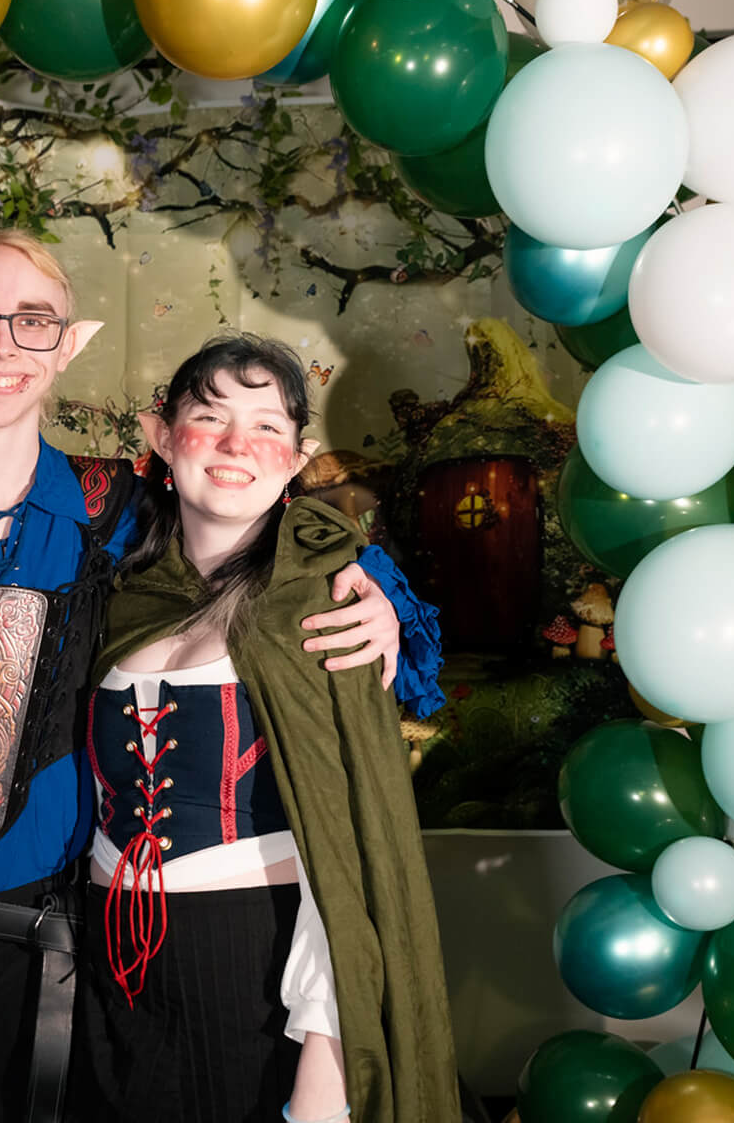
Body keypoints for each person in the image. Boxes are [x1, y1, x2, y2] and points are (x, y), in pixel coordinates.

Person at [0, 230, 442, 1123]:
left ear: (68, 344)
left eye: (33, 322)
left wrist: (372, 586)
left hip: (44, 954)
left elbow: (251, 522)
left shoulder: (115, 512)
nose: (2, 345)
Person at [77, 334, 457, 1123]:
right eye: (208, 417)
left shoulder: (332, 604)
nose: (234, 445)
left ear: (297, 458)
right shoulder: (111, 592)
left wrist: (326, 1054)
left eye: (265, 427)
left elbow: (350, 848)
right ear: (159, 437)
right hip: (106, 954)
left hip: (254, 958)